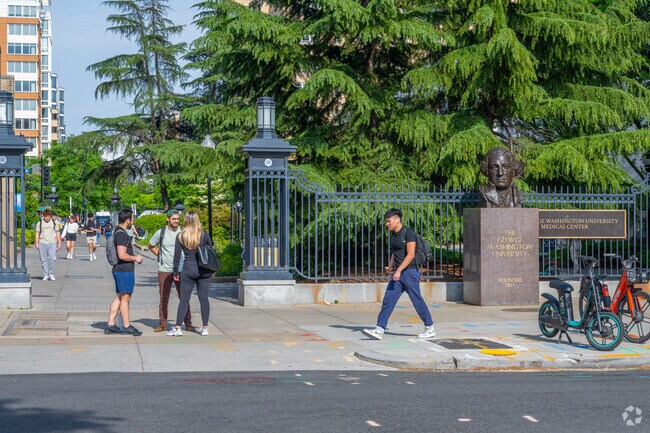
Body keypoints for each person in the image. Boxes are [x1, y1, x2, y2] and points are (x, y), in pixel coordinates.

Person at [363, 208, 435, 340]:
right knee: (388, 300)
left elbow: (411, 254)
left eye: (389, 221)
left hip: (410, 273)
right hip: (398, 273)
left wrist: (398, 270)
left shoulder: (409, 233)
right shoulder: (394, 236)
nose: (387, 224)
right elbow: (395, 252)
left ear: (397, 220)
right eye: (387, 222)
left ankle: (429, 327)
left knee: (416, 300)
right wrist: (391, 265)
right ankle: (379, 329)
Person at [167, 211, 214, 336]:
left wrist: (175, 272)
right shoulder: (203, 234)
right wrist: (212, 270)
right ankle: (205, 328)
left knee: (184, 300)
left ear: (186, 220)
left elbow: (177, 257)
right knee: (204, 299)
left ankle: (177, 328)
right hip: (204, 270)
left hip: (188, 269)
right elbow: (211, 252)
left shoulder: (181, 236)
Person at [148, 209, 194, 333]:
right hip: (165, 269)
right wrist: (159, 255)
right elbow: (150, 245)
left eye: (178, 219)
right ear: (167, 219)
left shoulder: (183, 232)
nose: (176, 221)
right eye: (174, 219)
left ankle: (188, 323)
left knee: (184, 297)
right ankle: (162, 324)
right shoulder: (161, 232)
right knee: (164, 297)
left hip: (181, 269)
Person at [104, 209, 143, 336]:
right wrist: (135, 258)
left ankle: (110, 324)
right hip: (124, 270)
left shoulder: (118, 232)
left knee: (119, 297)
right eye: (132, 219)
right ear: (127, 220)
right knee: (125, 298)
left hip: (119, 270)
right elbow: (122, 255)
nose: (133, 221)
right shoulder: (122, 234)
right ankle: (126, 326)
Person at [34, 209, 62, 281]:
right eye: (45, 216)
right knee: (43, 260)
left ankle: (51, 273)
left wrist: (59, 243)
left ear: (50, 216)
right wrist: (36, 243)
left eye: (48, 216)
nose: (46, 217)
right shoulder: (39, 223)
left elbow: (57, 232)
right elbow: (37, 233)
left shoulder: (54, 222)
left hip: (52, 242)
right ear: (43, 216)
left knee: (52, 258)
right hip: (42, 242)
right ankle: (45, 274)